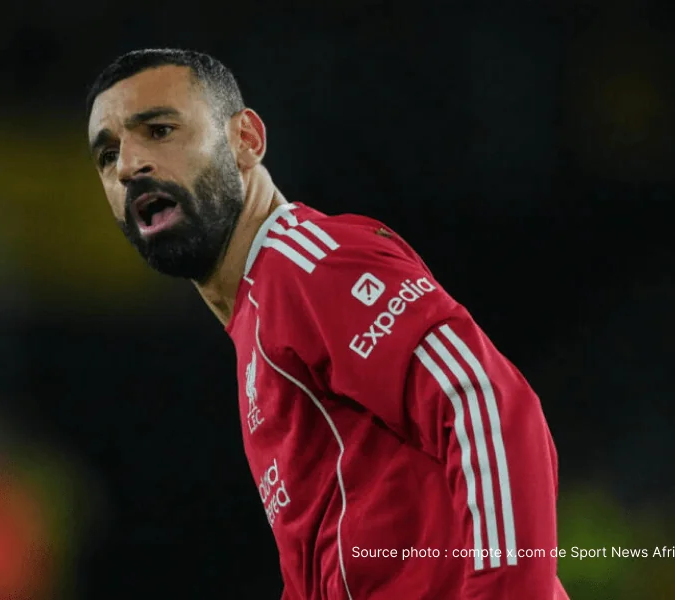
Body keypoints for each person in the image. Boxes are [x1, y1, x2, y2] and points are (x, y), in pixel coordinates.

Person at [85, 48, 569, 600]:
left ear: (246, 140)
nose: (128, 165)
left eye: (160, 129)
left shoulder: (306, 264)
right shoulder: (257, 322)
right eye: (108, 154)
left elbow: (483, 405)